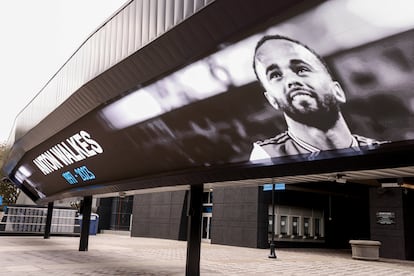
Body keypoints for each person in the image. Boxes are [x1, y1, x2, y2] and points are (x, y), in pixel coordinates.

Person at [250, 35, 382, 161]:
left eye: (301, 69)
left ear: (337, 91)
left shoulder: (381, 152)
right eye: (275, 75)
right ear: (272, 100)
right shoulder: (268, 156)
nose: (291, 80)